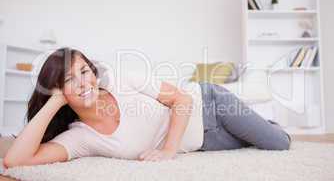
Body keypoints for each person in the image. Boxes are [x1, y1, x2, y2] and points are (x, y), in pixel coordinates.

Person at [3, 47, 291, 168]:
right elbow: (15, 161)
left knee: (278, 143)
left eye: (84, 71)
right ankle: (262, 125)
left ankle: (267, 125)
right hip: (206, 141)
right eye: (69, 79)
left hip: (211, 104)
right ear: (58, 92)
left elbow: (182, 99)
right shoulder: (80, 138)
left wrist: (168, 151)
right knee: (253, 142)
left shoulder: (121, 79)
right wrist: (54, 101)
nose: (83, 82)